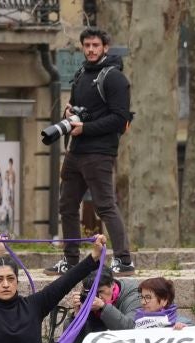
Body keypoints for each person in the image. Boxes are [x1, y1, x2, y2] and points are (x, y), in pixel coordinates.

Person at [54, 25, 133, 274]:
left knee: (105, 205)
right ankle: (71, 260)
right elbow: (79, 110)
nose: (90, 50)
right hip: (75, 151)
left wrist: (85, 128)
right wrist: (69, 113)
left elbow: (120, 119)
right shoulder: (81, 74)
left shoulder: (115, 78)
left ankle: (123, 260)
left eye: (95, 45)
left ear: (105, 47)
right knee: (66, 205)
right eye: (87, 45)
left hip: (99, 152)